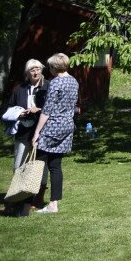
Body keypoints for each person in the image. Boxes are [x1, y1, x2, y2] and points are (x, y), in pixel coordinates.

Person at [30, 52, 79, 214]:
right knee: (55, 166)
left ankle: (28, 199)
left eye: (49, 66)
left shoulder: (55, 83)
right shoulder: (73, 81)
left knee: (38, 162)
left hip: (53, 127)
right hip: (67, 126)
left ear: (54, 68)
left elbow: (47, 110)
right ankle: (53, 204)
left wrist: (37, 132)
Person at [8, 59, 47, 171]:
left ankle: (40, 188)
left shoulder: (49, 86)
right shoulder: (20, 89)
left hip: (42, 131)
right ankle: (18, 187)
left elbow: (54, 109)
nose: (36, 72)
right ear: (27, 73)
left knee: (40, 166)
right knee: (19, 165)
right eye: (32, 70)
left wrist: (39, 109)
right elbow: (10, 107)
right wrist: (19, 113)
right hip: (23, 131)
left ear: (42, 70)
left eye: (38, 69)